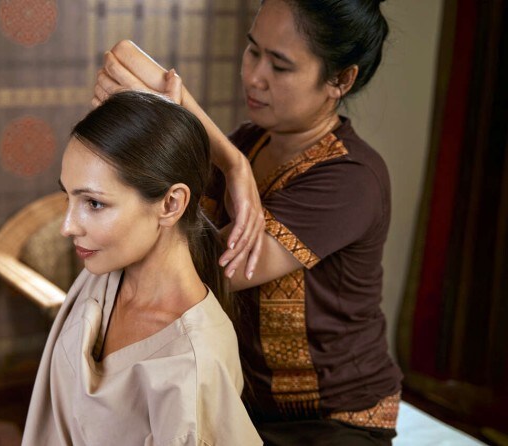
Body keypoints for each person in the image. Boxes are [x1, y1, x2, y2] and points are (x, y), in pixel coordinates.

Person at [93, 0, 403, 444]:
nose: (254, 76)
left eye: (280, 65)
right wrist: (234, 161)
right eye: (253, 50)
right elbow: (125, 56)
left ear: (340, 80)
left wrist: (225, 158)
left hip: (333, 421)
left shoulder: (352, 179)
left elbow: (208, 272)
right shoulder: (247, 143)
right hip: (243, 401)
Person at [21, 90, 262, 445]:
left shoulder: (192, 364)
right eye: (68, 197)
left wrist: (235, 165)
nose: (67, 226)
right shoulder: (101, 274)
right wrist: (235, 164)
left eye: (94, 203)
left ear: (171, 204)